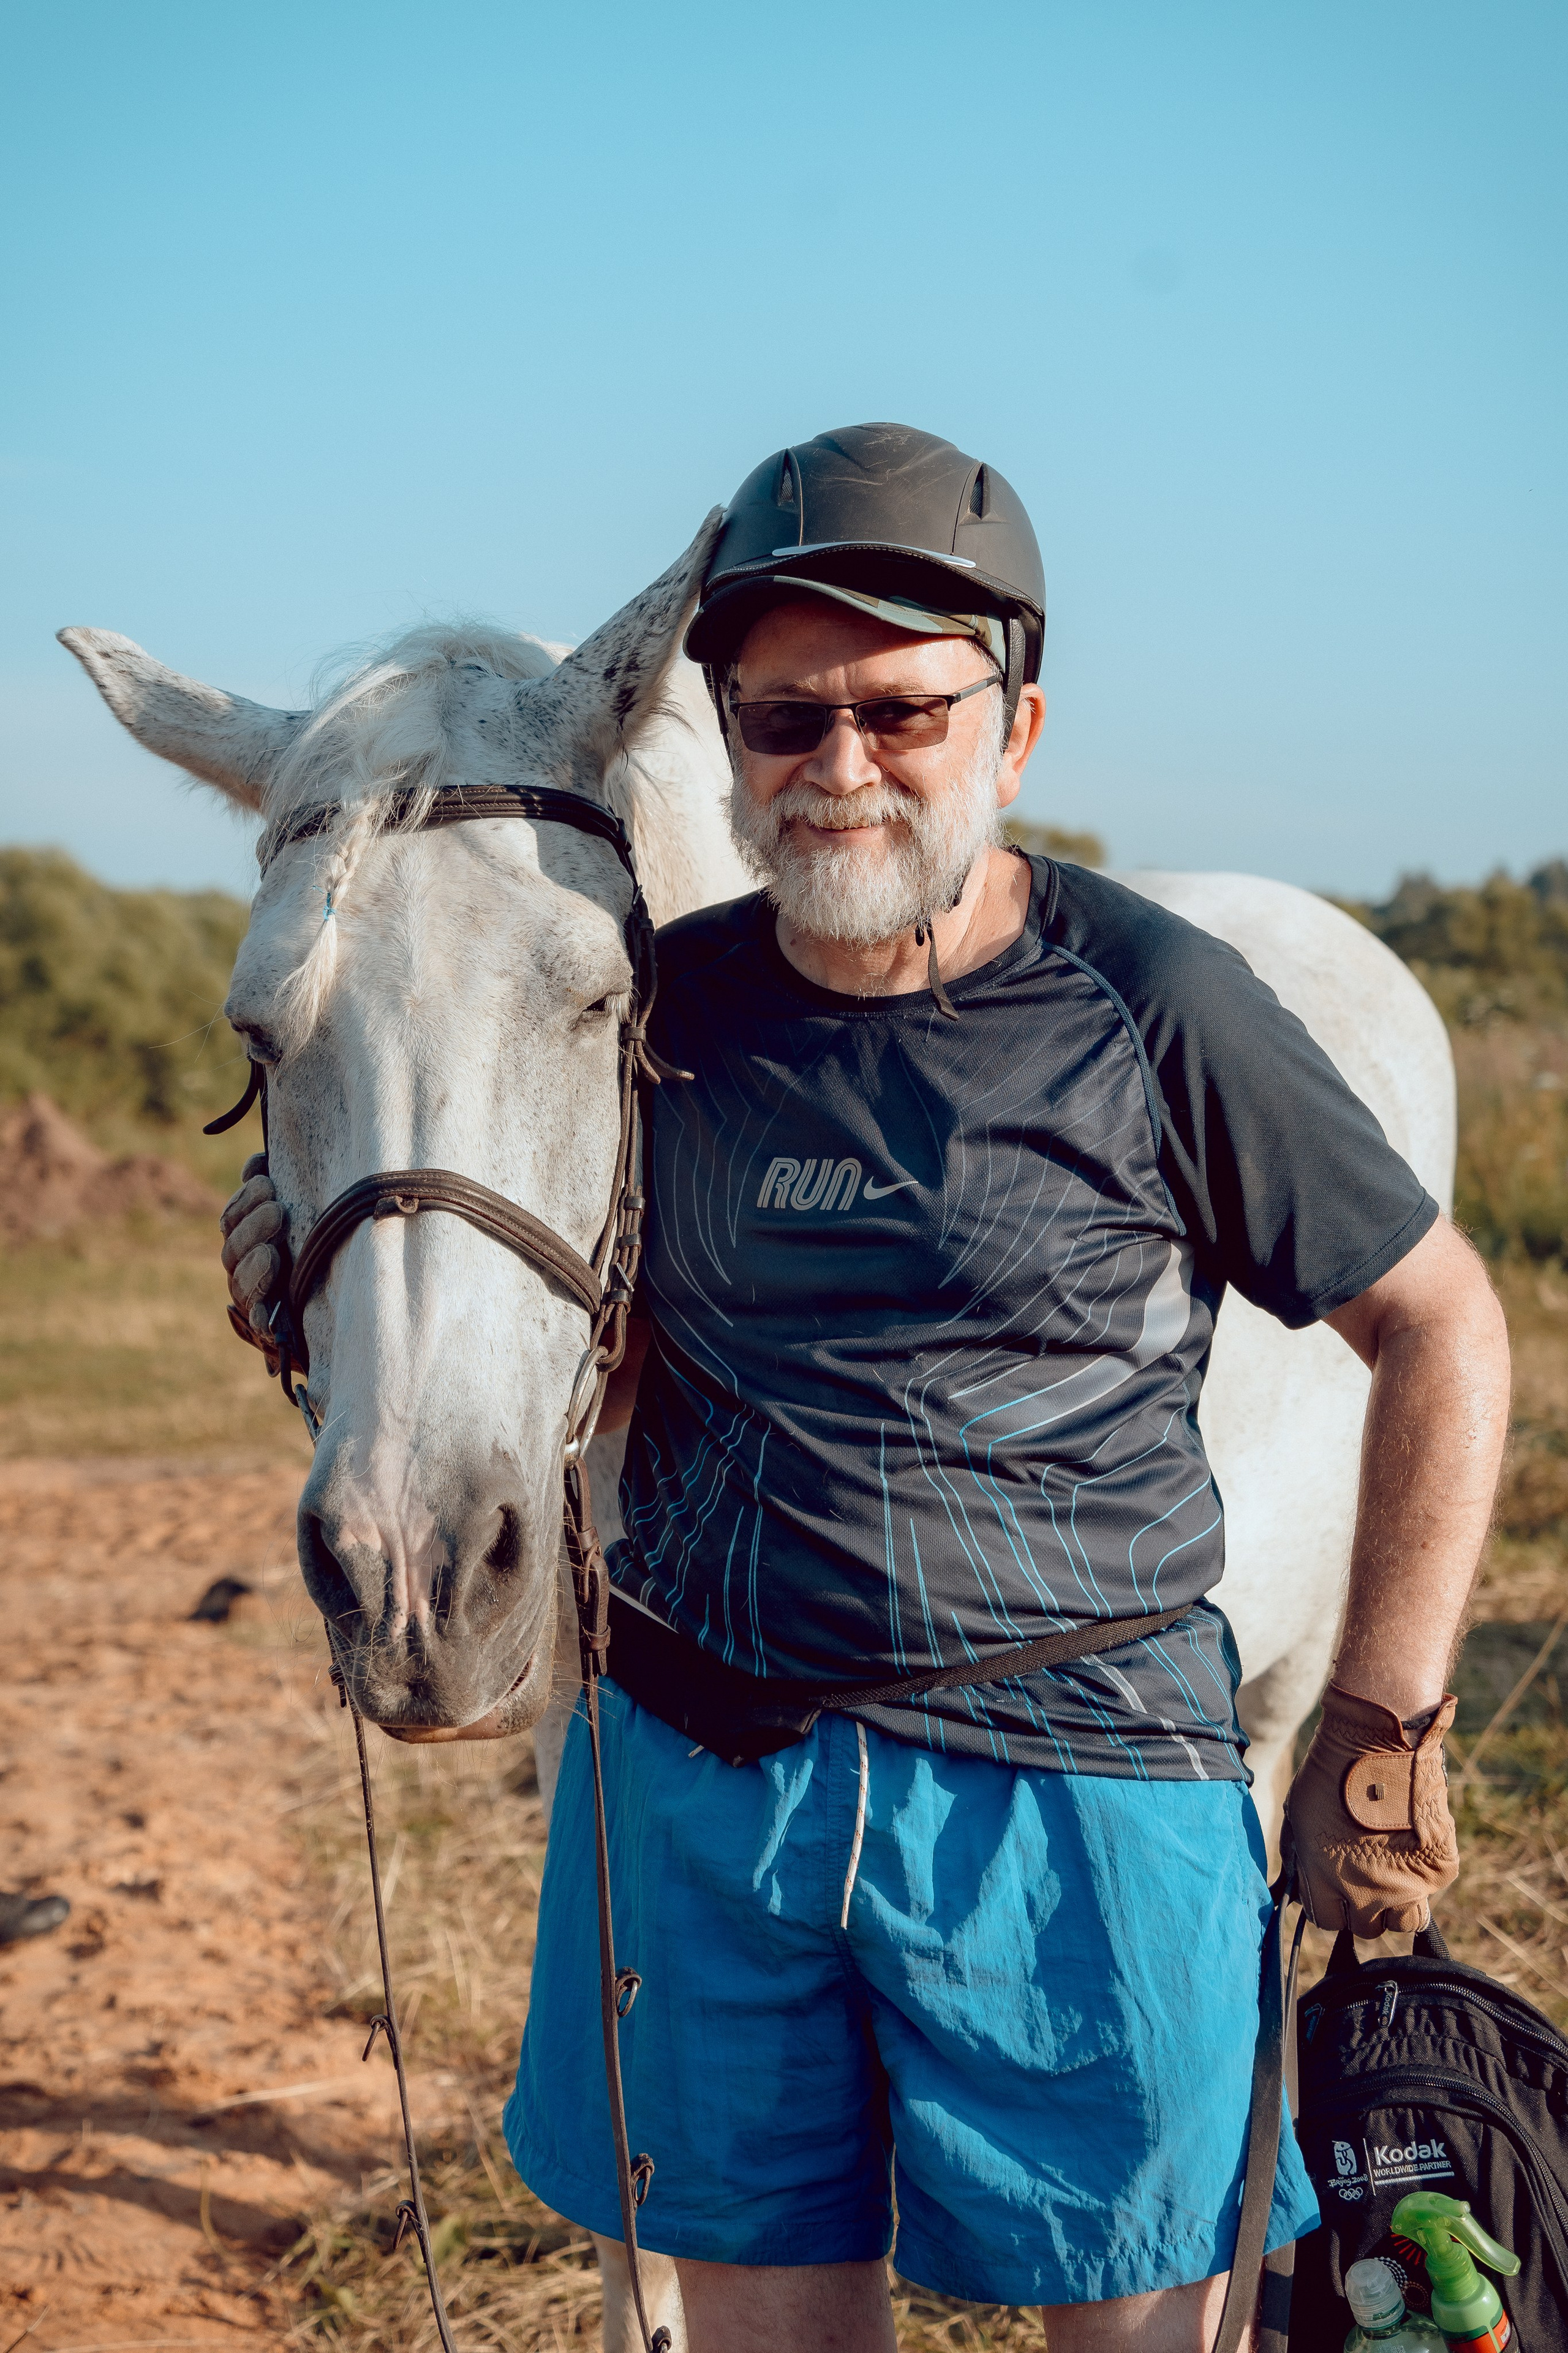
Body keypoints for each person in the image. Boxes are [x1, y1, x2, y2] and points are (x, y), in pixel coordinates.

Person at [221, 424, 1510, 2351]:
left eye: (901, 712)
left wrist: (1387, 1709)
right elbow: (559, 1283)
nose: (840, 766)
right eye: (783, 717)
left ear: (1016, 722)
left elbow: (1447, 1326)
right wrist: (312, 1262)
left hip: (1075, 1795)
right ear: (723, 736)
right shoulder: (673, 1003)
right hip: (718, 1797)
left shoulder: (1154, 1000)